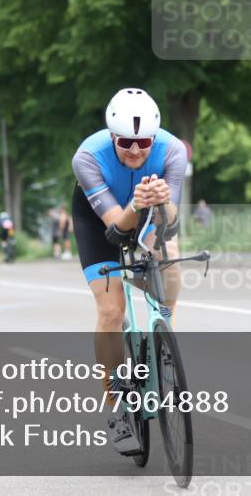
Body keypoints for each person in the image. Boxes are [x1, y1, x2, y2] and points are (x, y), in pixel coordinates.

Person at [71, 88, 186, 454]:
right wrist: (137, 203)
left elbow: (171, 225)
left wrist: (164, 202)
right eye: (125, 142)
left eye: (143, 142)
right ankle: (117, 406)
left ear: (154, 137)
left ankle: (163, 329)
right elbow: (115, 231)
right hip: (101, 222)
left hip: (149, 213)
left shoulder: (172, 152)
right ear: (111, 136)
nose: (135, 150)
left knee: (171, 255)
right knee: (110, 310)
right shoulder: (88, 158)